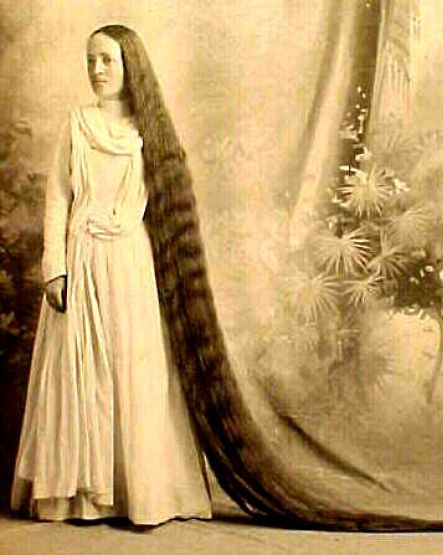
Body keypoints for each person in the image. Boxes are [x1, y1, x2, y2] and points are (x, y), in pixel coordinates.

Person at [10, 24, 213, 526]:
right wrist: (54, 268)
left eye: (107, 60)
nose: (97, 71)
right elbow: (58, 197)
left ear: (130, 66)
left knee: (132, 371)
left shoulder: (150, 133)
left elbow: (166, 211)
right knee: (79, 376)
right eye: (91, 61)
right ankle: (77, 496)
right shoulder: (77, 125)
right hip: (80, 260)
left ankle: (137, 494)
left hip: (129, 264)